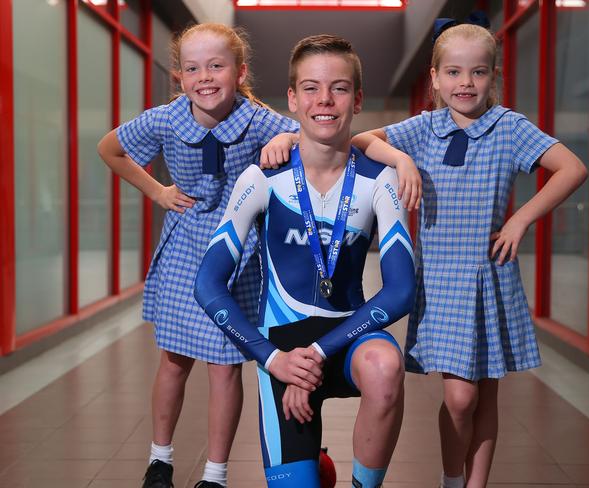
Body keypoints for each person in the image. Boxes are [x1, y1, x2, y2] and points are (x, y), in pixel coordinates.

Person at [350, 16, 588, 488]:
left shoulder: (509, 127)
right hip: (439, 280)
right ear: (435, 79)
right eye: (454, 72)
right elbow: (361, 141)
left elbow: (572, 168)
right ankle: (451, 477)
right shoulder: (423, 128)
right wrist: (400, 159)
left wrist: (521, 218)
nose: (466, 83)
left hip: (490, 276)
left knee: (485, 395)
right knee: (460, 399)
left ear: (493, 76)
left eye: (478, 72)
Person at [194, 34, 416, 488]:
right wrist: (271, 358)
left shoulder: (380, 179)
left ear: (357, 98)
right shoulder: (263, 177)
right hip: (282, 351)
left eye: (338, 87)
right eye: (311, 88)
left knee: (386, 366)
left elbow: (400, 290)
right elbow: (207, 284)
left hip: (350, 340)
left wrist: (317, 351)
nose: (325, 100)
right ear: (292, 99)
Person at [97, 23, 298, 488]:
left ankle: (215, 474)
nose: (204, 76)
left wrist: (285, 139)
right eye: (192, 68)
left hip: (237, 256)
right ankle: (159, 460)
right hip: (184, 249)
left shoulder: (258, 118)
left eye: (216, 65)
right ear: (180, 77)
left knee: (225, 367)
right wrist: (157, 190)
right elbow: (110, 149)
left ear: (239, 71)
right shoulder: (166, 119)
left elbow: (307, 133)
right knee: (173, 360)